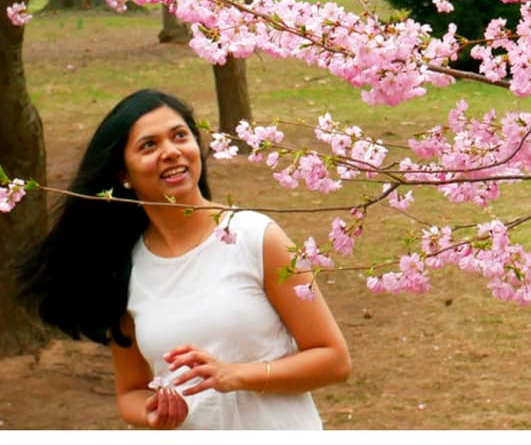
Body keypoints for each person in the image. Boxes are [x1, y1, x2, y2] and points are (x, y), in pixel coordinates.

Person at [19, 88, 351, 429]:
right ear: (123, 175)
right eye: (149, 145)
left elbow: (334, 359)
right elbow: (130, 392)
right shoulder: (124, 267)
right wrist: (154, 413)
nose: (171, 152)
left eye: (180, 136)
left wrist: (237, 375)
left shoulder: (256, 237)